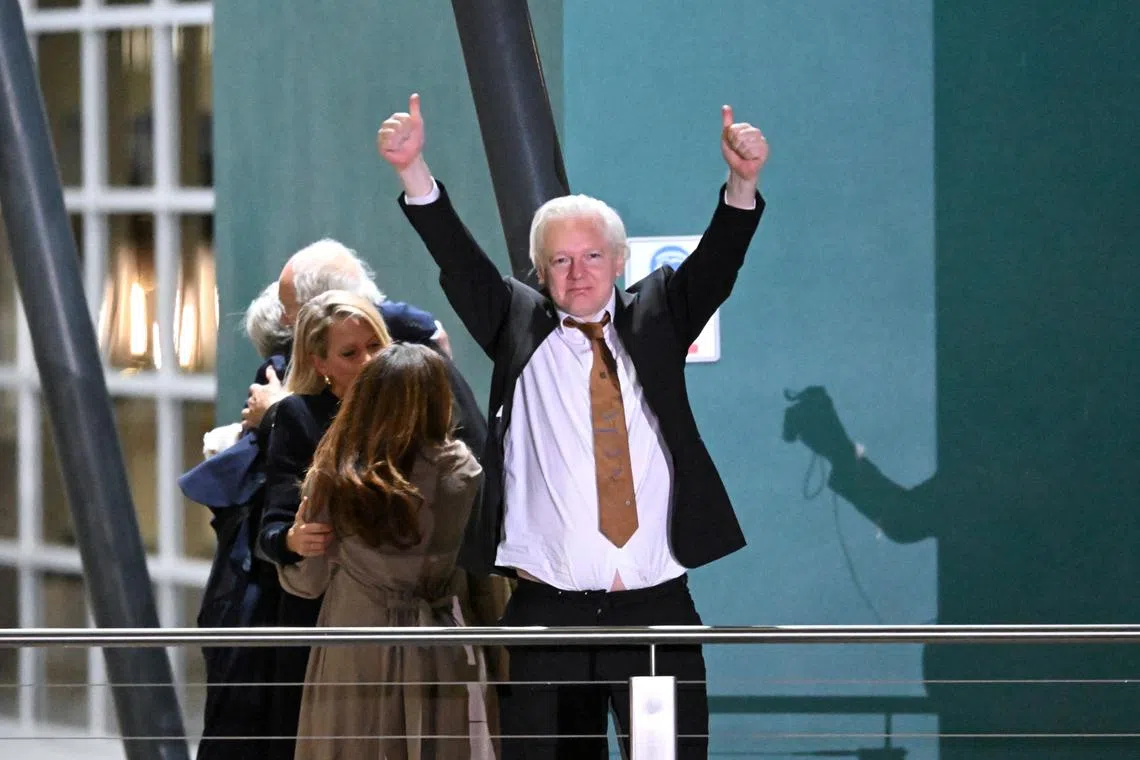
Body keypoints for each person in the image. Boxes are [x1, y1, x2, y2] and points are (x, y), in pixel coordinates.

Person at [377, 92, 769, 758]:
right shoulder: (516, 323)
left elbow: (719, 263)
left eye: (591, 257)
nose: (577, 273)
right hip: (547, 616)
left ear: (619, 263)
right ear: (540, 272)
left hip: (653, 610)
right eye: (559, 260)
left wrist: (742, 181)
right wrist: (414, 172)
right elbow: (460, 260)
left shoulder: (659, 314)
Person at [280, 342, 493, 760]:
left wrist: (290, 544)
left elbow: (307, 581)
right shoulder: (465, 472)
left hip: (356, 644)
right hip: (442, 644)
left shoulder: (339, 474)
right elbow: (481, 568)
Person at [257, 290, 392, 760]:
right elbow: (271, 527)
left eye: (375, 344)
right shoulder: (298, 416)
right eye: (351, 353)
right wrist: (292, 539)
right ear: (320, 363)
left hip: (398, 610)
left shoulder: (411, 409)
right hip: (323, 612)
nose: (370, 360)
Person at [241, 238, 449, 432]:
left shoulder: (415, 368)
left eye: (375, 345)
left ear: (321, 310)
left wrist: (275, 415)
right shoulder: (419, 333)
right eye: (351, 353)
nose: (284, 321)